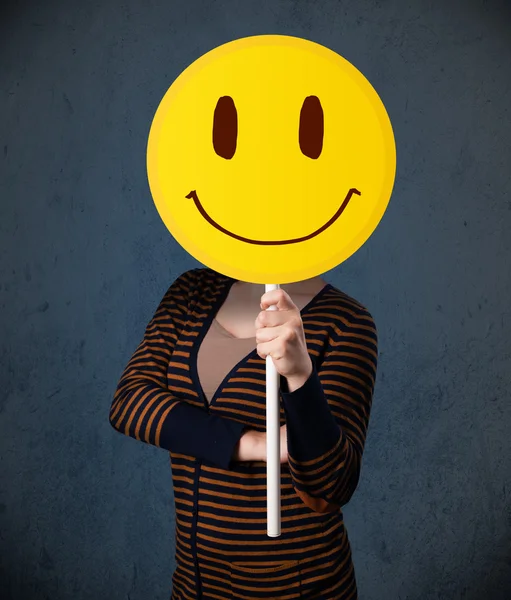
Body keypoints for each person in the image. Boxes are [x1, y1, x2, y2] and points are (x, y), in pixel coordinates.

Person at [109, 266, 378, 600]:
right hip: (195, 582)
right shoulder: (194, 290)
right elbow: (129, 402)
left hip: (296, 585)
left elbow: (332, 486)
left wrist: (299, 375)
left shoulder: (346, 321)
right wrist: (254, 444)